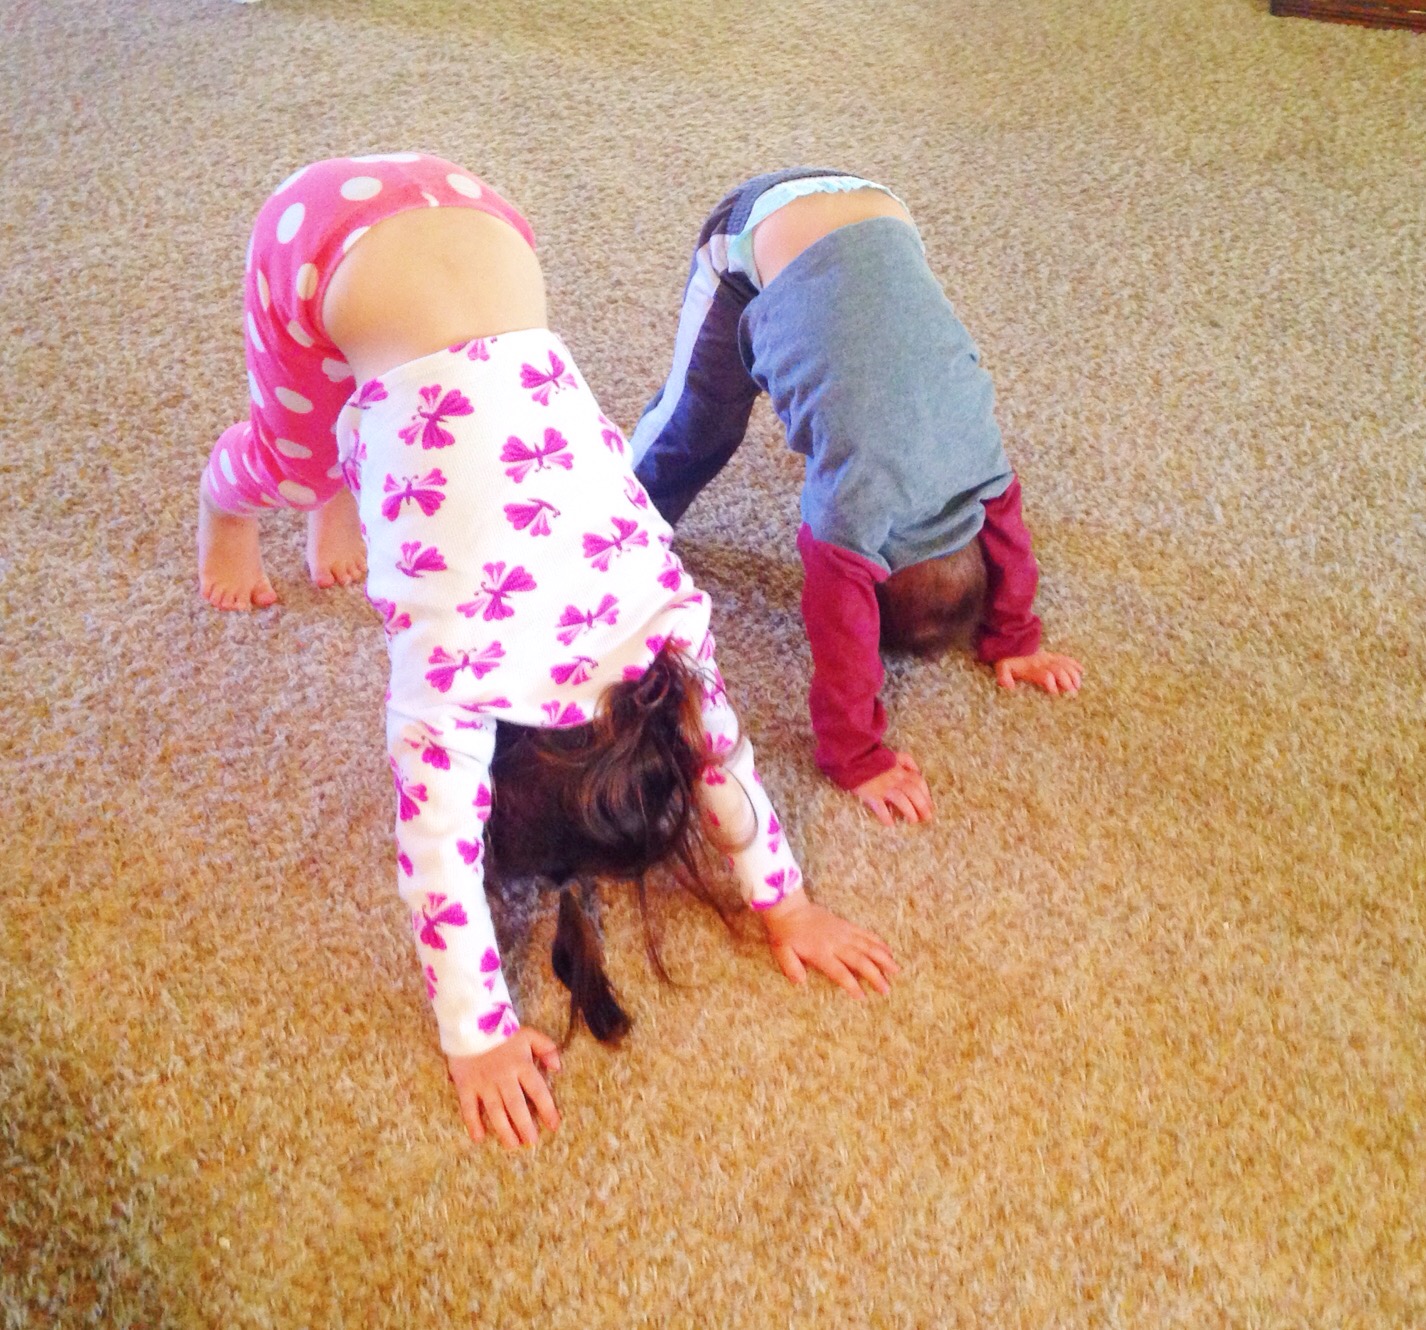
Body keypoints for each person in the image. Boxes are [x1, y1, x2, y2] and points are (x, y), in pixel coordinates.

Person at [197, 154, 897, 1149]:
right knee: (292, 459)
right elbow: (437, 858)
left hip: (487, 223)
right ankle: (225, 507)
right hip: (315, 239)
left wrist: (786, 903)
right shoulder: (451, 676)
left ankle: (351, 478)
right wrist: (475, 1035)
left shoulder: (664, 619)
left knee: (389, 429)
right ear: (499, 759)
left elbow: (721, 754)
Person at [631, 169, 1084, 827]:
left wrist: (1015, 635)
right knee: (699, 423)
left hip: (882, 210)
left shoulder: (983, 463)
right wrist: (855, 755)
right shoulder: (854, 519)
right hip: (750, 229)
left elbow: (1010, 541)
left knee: (847, 369)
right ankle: (615, 527)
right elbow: (839, 632)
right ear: (873, 573)